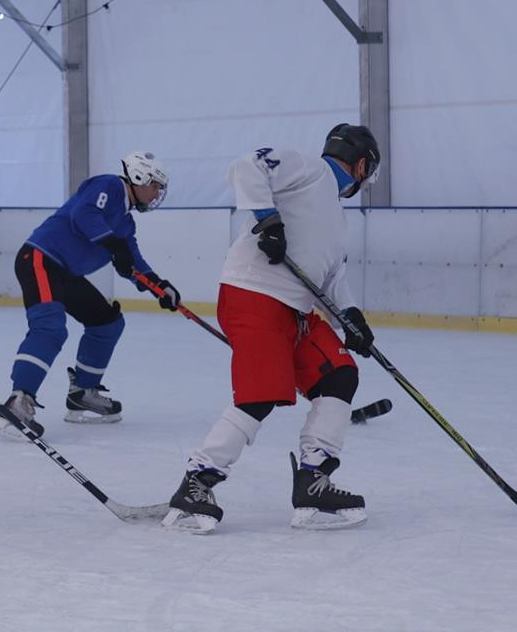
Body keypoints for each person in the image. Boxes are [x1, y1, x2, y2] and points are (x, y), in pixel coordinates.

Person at [162, 124, 381, 533]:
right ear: (363, 163)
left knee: (340, 375)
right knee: (260, 395)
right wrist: (268, 221)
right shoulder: (308, 166)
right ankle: (197, 481)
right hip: (254, 295)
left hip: (296, 313)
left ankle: (314, 479)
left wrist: (352, 318)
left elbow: (331, 277)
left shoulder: (335, 217)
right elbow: (246, 166)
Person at [0, 151, 180, 441]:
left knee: (107, 322)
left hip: (65, 273)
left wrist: (159, 287)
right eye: (155, 186)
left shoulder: (126, 223)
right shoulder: (109, 186)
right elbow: (83, 215)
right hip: (41, 259)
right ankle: (18, 401)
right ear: (139, 177)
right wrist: (113, 245)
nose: (157, 194)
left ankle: (82, 392)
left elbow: (132, 262)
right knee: (50, 327)